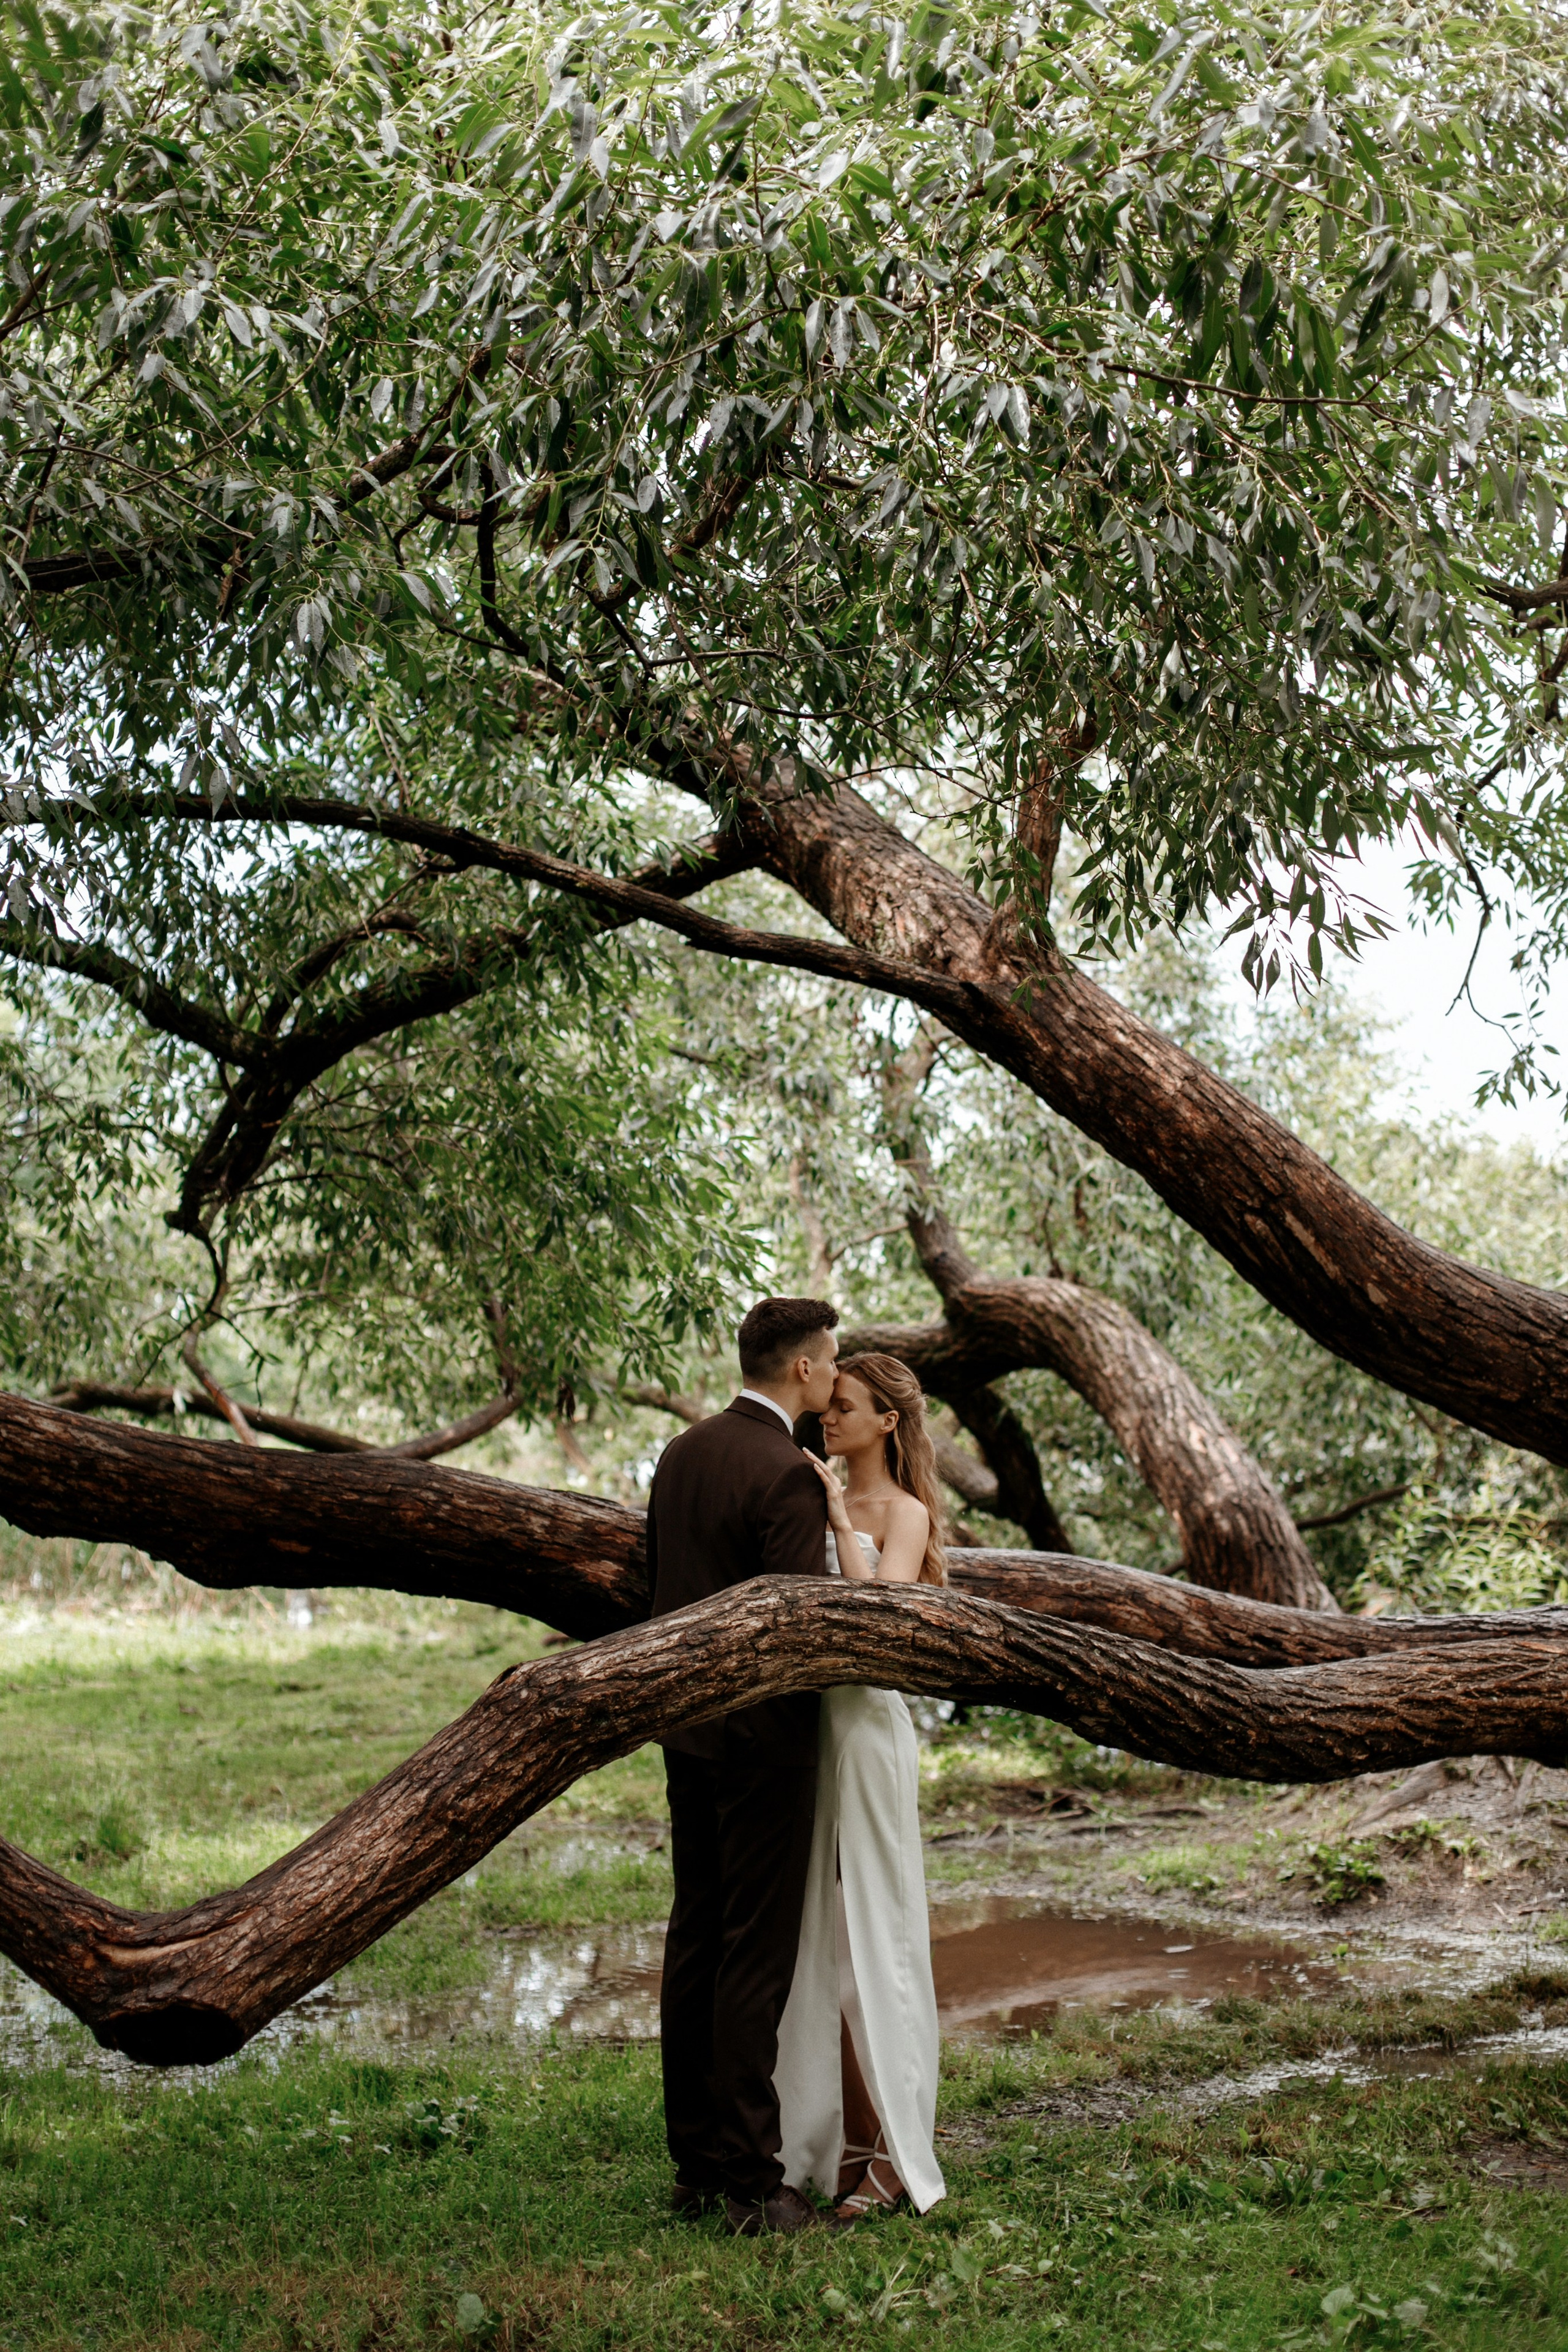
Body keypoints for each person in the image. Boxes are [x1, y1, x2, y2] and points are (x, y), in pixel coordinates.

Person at [647, 1294, 840, 2237]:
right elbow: (798, 1629)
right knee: (754, 1959)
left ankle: (695, 2164)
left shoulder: (681, 1455)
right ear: (802, 1368)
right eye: (832, 1359)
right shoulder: (787, 1474)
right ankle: (756, 2186)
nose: (838, 1374)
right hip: (766, 1745)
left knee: (696, 1941)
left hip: (686, 1731)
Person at [774, 1351, 948, 2227]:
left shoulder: (904, 1514)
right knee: (822, 1947)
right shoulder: (804, 1500)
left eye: (845, 1407)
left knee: (874, 1941)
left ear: (887, 1422)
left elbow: (876, 1622)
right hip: (811, 1734)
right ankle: (830, 2143)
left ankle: (890, 2153)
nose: (828, 1417)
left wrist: (842, 1514)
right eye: (827, 1404)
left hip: (869, 1738)